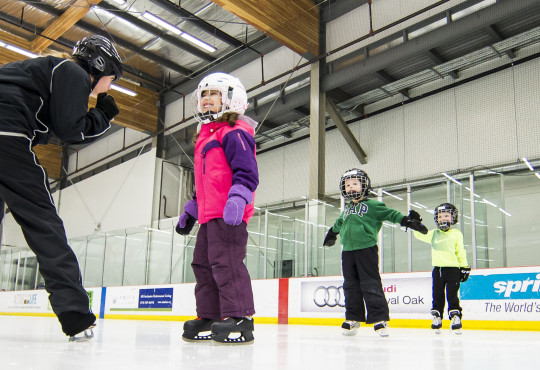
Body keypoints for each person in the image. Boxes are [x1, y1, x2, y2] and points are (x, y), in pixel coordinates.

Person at [0, 35, 122, 341]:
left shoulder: (48, 72)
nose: (109, 86)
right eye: (112, 79)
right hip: (7, 134)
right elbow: (71, 130)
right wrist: (103, 114)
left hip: (10, 129)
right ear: (100, 67)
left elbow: (53, 125)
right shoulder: (74, 73)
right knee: (44, 224)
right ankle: (76, 314)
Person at [175, 72, 258, 344]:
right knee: (202, 264)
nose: (207, 100)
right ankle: (210, 315)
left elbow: (247, 173)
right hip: (209, 217)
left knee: (227, 263)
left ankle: (240, 317)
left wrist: (238, 198)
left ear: (232, 99)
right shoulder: (205, 137)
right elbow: (207, 184)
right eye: (203, 95)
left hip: (230, 215)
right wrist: (192, 209)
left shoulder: (234, 133)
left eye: (214, 94)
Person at [323, 169, 428, 337]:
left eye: (354, 184)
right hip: (348, 251)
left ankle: (379, 318)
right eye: (347, 185)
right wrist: (332, 232)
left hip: (366, 249)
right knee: (350, 285)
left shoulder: (373, 205)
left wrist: (406, 220)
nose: (350, 188)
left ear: (364, 185)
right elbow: (339, 222)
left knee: (370, 283)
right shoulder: (348, 209)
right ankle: (353, 318)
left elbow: (390, 214)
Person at [410, 203, 470, 334]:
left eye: (446, 215)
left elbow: (461, 251)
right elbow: (420, 235)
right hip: (437, 270)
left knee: (452, 295)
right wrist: (415, 225)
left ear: (453, 218)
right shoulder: (433, 234)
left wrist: (464, 267)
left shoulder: (456, 234)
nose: (443, 218)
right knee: (437, 295)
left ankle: (455, 317)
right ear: (436, 219)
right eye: (440, 216)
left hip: (453, 270)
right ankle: (437, 317)